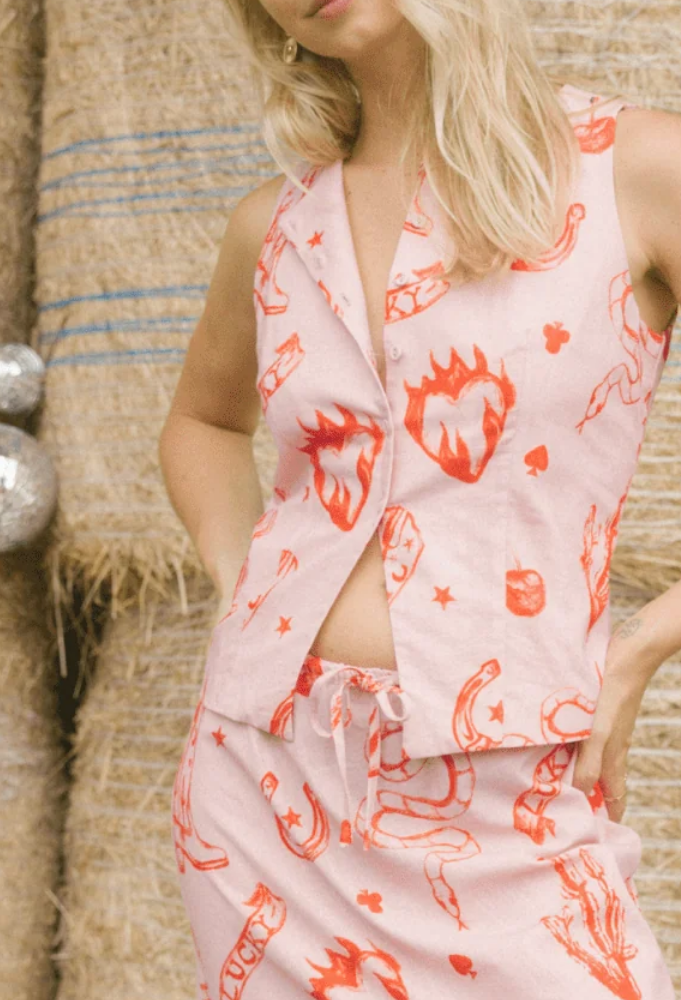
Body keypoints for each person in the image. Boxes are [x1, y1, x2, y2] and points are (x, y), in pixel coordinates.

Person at [158, 0, 681, 996]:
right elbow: (201, 424)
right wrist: (243, 583)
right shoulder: (275, 226)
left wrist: (642, 646)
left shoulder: (636, 170)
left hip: (511, 784)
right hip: (266, 780)